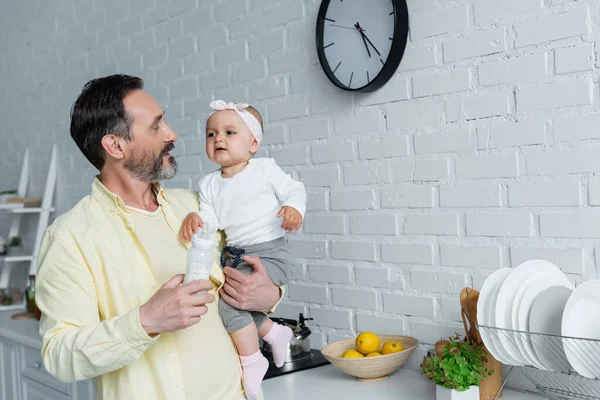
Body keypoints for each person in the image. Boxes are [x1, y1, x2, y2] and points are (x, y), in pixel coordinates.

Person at [35, 74, 283, 400]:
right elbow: (59, 356)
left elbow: (254, 272)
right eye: (156, 126)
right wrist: (146, 321)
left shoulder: (197, 207)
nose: (172, 134)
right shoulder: (70, 238)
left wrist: (270, 293)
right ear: (115, 145)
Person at [179, 100, 306, 399]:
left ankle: (252, 361)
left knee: (230, 304)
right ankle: (276, 334)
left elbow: (294, 189)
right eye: (211, 134)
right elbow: (211, 218)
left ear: (253, 143)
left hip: (271, 252)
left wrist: (293, 208)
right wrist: (197, 218)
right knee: (232, 303)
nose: (218, 139)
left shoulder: (264, 169)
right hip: (238, 256)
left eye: (229, 132)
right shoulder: (209, 184)